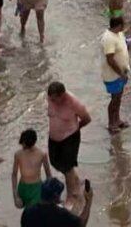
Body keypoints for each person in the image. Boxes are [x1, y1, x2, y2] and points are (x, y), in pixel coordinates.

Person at [46, 80, 91, 208]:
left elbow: (87, 118)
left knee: (67, 167)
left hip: (70, 138)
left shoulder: (74, 103)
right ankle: (75, 180)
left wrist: (74, 129)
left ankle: (71, 197)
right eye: (51, 99)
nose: (52, 101)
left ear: (63, 95)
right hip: (53, 138)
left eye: (55, 99)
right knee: (55, 162)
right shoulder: (50, 98)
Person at [21, 177, 92, 227]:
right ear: (55, 197)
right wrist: (89, 201)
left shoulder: (28, 211)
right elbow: (81, 224)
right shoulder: (60, 215)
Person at [101, 16, 130, 132]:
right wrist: (120, 73)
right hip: (113, 75)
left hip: (122, 72)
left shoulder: (119, 34)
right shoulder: (108, 38)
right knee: (114, 99)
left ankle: (117, 120)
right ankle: (111, 123)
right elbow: (110, 59)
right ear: (118, 25)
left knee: (119, 97)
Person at [12, 129, 52, 210]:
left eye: (23, 144)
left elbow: (49, 175)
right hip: (23, 187)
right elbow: (14, 175)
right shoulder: (18, 154)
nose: (22, 146)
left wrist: (48, 193)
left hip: (36, 188)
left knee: (33, 212)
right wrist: (15, 195)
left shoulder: (42, 154)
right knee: (22, 209)